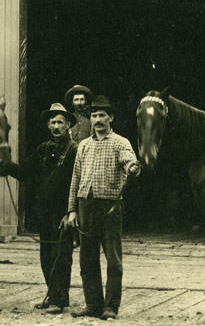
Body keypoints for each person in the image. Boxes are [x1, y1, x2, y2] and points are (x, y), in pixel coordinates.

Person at [63, 94, 142, 319]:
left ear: (111, 118)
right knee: (87, 259)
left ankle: (110, 307)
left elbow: (129, 160)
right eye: (95, 115)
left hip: (110, 207)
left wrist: (133, 167)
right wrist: (71, 210)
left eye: (102, 116)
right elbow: (75, 179)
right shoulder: (84, 146)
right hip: (85, 205)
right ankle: (93, 305)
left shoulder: (121, 143)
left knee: (113, 260)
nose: (98, 120)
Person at [4, 102, 77, 313]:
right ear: (48, 125)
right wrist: (6, 164)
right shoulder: (43, 149)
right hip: (44, 214)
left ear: (68, 125)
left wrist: (71, 212)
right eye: (52, 122)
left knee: (61, 257)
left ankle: (59, 300)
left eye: (60, 122)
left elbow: (78, 183)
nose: (56, 126)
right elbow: (24, 172)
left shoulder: (74, 150)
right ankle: (52, 294)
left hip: (63, 214)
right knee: (46, 256)